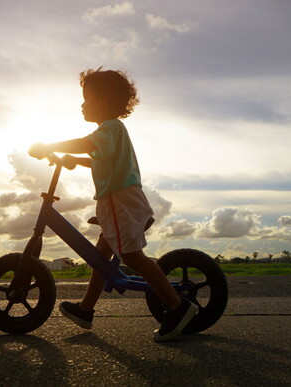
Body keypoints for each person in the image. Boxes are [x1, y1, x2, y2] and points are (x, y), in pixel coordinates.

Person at [28, 68, 198, 342]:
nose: (82, 104)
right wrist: (75, 160)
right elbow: (99, 156)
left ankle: (178, 307)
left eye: (87, 98)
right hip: (118, 201)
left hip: (119, 201)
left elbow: (87, 144)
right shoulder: (111, 134)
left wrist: (49, 146)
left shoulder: (110, 128)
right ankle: (85, 309)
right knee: (100, 256)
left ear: (103, 100)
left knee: (131, 256)